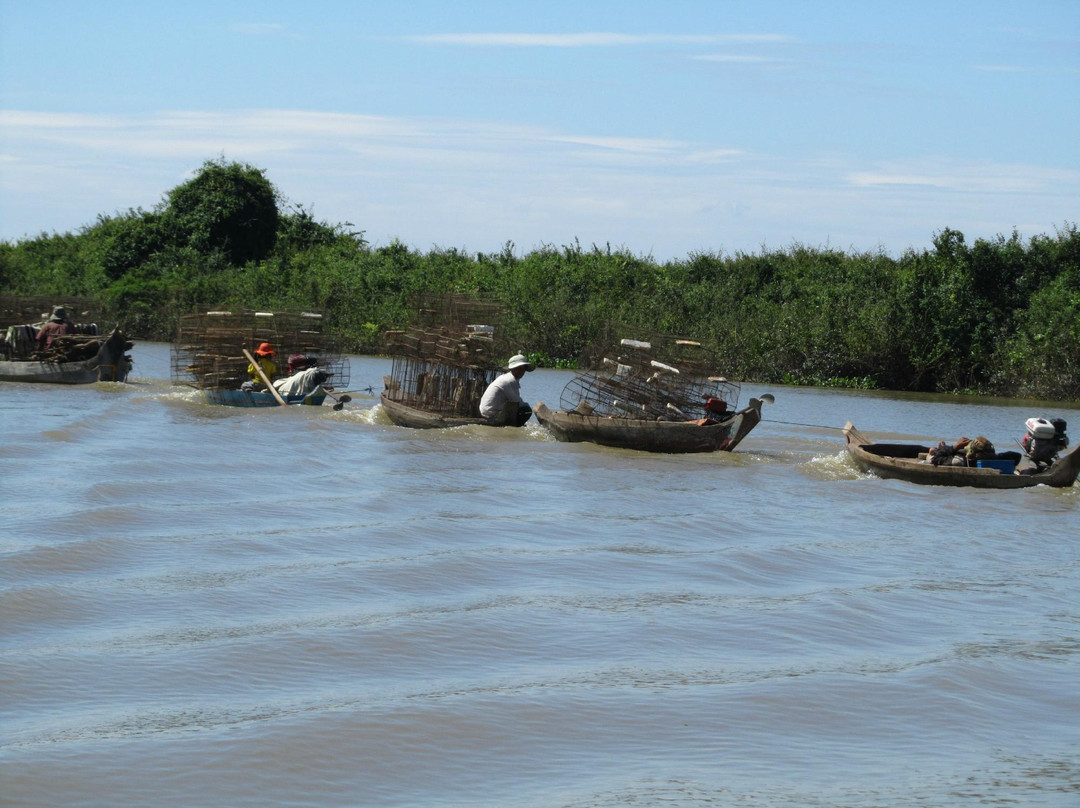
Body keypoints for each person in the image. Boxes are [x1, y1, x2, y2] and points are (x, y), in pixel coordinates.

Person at [479, 353, 535, 426]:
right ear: (512, 369)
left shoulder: (507, 378)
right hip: (491, 413)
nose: (521, 371)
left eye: (523, 369)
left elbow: (516, 398)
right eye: (518, 368)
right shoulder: (509, 380)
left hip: (485, 411)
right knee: (527, 411)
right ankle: (514, 428)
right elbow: (516, 401)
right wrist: (527, 406)